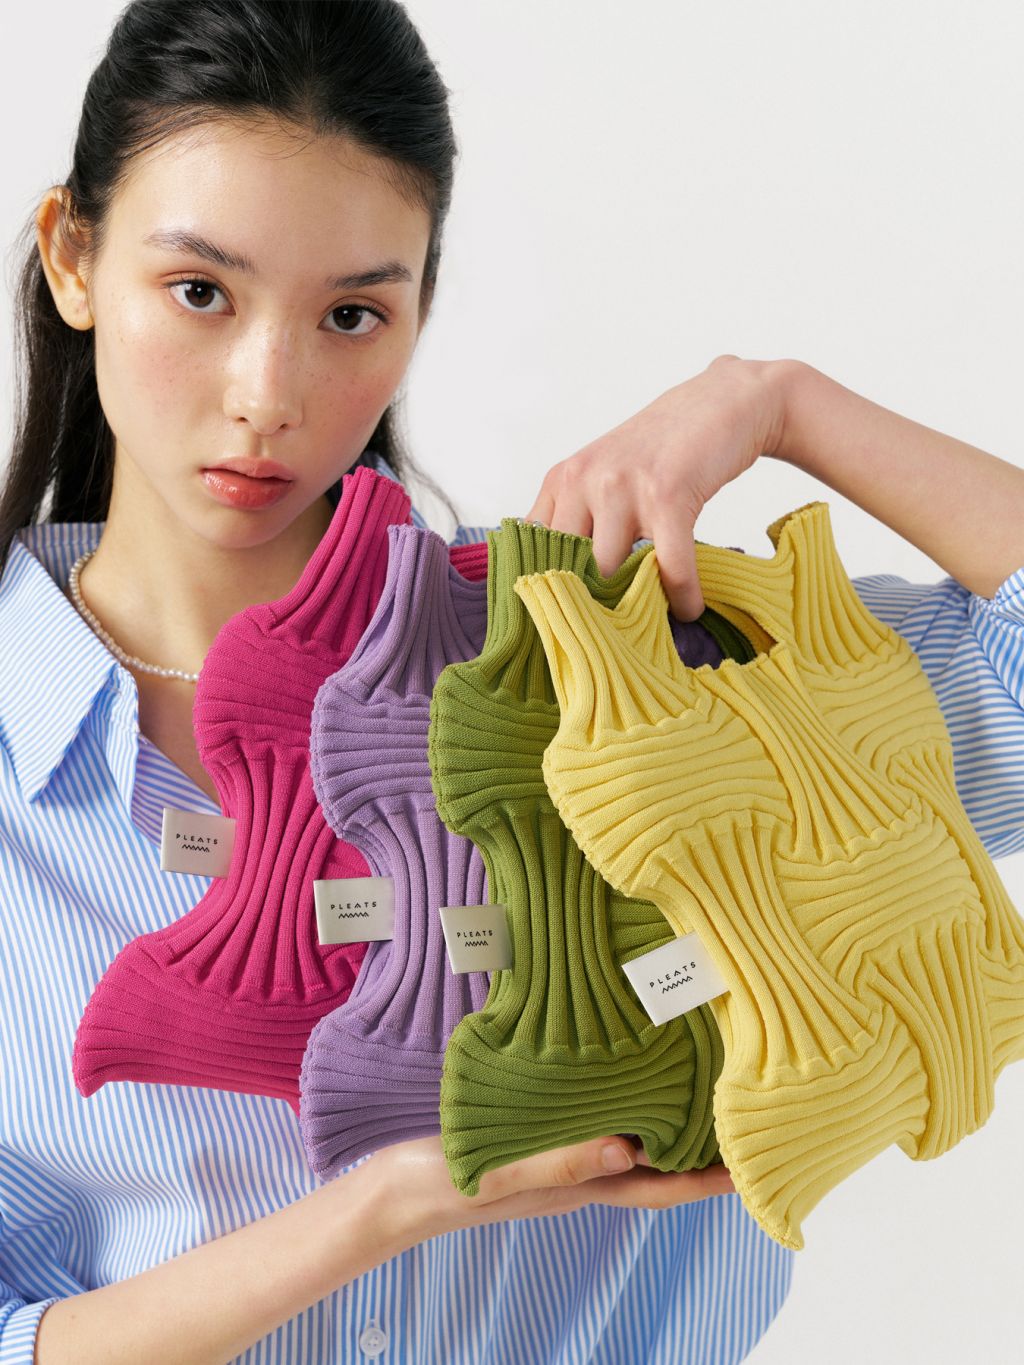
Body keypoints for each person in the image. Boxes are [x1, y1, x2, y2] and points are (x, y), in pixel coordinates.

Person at [0, 3, 1020, 1363]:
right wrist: (385, 1209)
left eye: (352, 314)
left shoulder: (599, 654)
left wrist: (780, 402)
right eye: (201, 292)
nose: (267, 392)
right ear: (73, 257)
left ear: (418, 314)